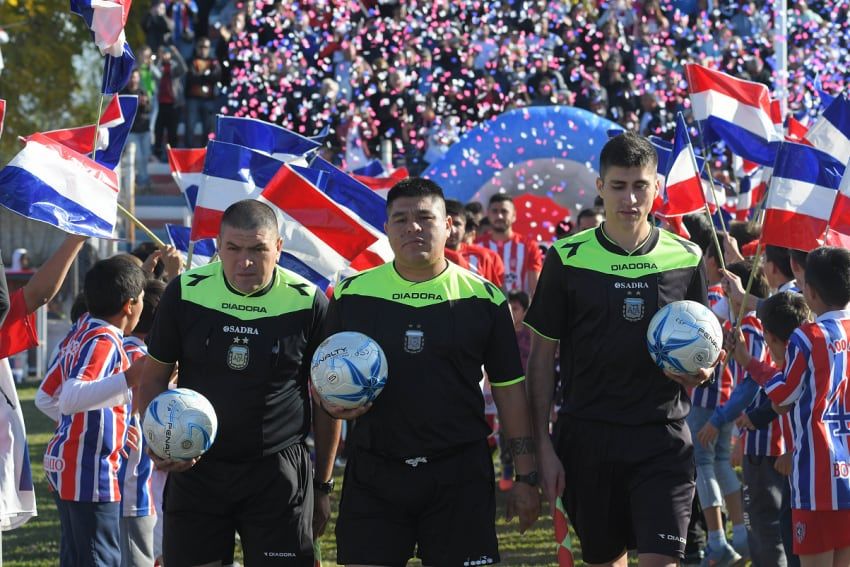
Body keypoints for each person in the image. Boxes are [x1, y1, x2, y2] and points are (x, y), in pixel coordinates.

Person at [319, 178, 539, 566]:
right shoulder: (352, 295)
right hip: (376, 472)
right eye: (400, 219)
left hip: (459, 474)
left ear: (449, 225)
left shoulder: (484, 297)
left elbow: (509, 391)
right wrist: (323, 478)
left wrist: (525, 477)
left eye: (425, 217)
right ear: (386, 228)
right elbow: (323, 387)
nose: (413, 228)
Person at [525, 132, 718, 566]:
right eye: (618, 186)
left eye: (640, 186)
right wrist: (543, 445)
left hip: (662, 438)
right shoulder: (566, 257)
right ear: (600, 187)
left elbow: (704, 340)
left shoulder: (685, 257)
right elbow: (541, 357)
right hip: (587, 436)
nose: (630, 198)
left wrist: (701, 370)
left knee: (661, 558)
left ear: (656, 188)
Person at [137, 199, 339, 566]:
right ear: (218, 246)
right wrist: (159, 441)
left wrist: (323, 485)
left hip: (277, 474)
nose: (244, 261)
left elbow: (329, 399)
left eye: (258, 249)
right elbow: (152, 377)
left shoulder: (308, 302)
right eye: (233, 248)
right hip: (196, 467)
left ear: (278, 248)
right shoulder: (185, 292)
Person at [742, 247, 850, 566]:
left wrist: (752, 364)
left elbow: (785, 394)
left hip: (816, 480)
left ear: (810, 291)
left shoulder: (809, 335)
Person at [44, 257, 147, 567]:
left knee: (76, 557)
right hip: (90, 472)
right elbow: (71, 396)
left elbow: (46, 398)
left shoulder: (81, 333)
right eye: (141, 299)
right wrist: (130, 378)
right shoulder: (104, 340)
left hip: (68, 467)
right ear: (130, 305)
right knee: (100, 559)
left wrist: (103, 424)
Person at [726, 290, 810, 567]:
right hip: (802, 465)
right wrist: (757, 416)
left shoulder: (806, 364)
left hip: (802, 467)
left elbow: (785, 392)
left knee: (783, 534)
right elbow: (783, 397)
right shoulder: (817, 351)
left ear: (770, 338)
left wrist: (793, 450)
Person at [476, 193, 543, 295]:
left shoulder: (529, 246)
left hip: (520, 309)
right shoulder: (476, 245)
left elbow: (535, 290)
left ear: (514, 215)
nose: (499, 216)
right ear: (488, 214)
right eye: (495, 211)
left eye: (504, 211)